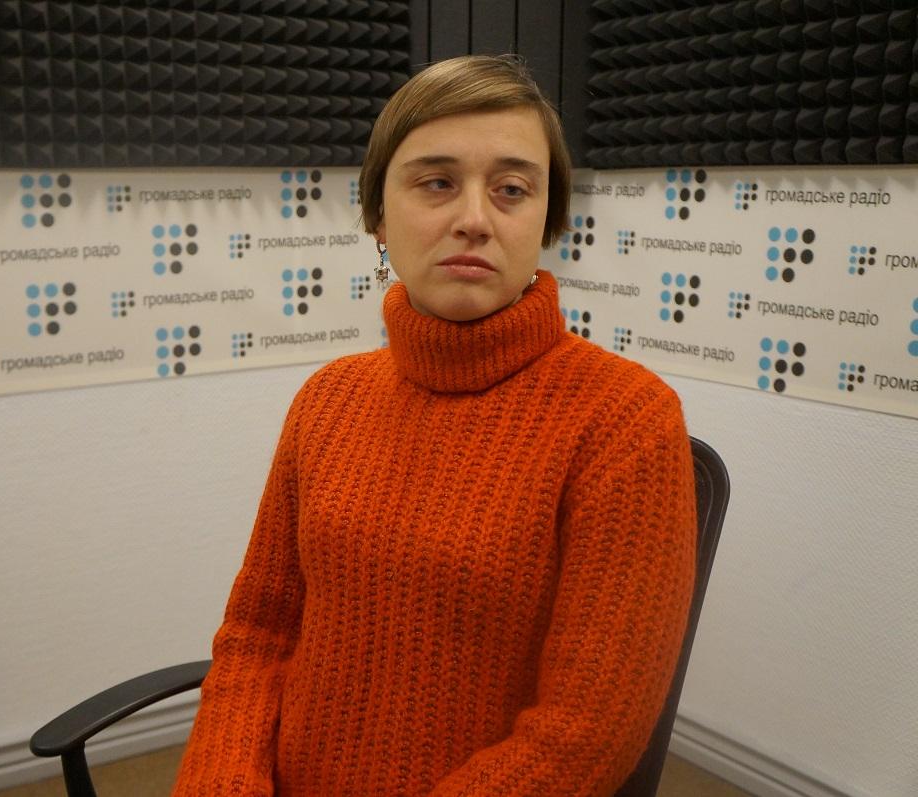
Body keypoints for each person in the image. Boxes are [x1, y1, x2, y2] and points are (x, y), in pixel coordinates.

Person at [172, 54, 697, 796]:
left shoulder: (625, 422)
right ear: (379, 217)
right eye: (437, 182)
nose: (474, 219)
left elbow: (582, 739)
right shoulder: (328, 398)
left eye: (511, 189)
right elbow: (258, 636)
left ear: (546, 221)